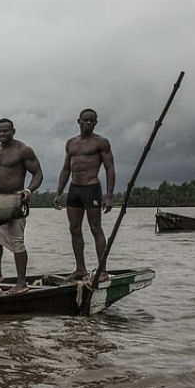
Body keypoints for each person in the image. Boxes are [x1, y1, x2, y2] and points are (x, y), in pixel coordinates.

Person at [53, 108, 115, 282]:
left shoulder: (101, 142)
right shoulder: (71, 143)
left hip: (91, 188)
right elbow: (66, 168)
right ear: (78, 121)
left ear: (95, 123)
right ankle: (80, 269)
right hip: (74, 189)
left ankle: (102, 270)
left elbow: (110, 168)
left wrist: (108, 195)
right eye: (85, 120)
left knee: (96, 228)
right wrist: (58, 192)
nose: (88, 123)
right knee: (74, 229)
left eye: (92, 121)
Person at [0, 118, 43, 295]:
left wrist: (28, 191)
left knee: (17, 242)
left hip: (15, 200)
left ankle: (22, 283)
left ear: (13, 131)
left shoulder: (23, 150)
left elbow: (38, 173)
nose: (2, 134)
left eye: (5, 131)